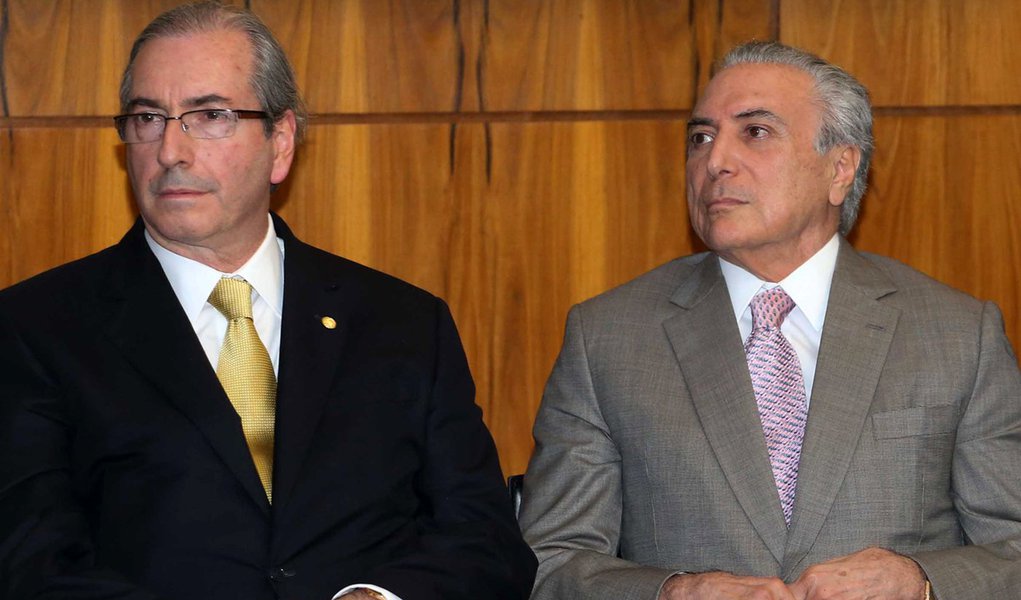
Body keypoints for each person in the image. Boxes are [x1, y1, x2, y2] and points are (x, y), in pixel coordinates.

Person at [0, 2, 536, 599]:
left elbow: (485, 540)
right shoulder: (35, 328)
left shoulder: (404, 324)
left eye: (209, 115)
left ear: (280, 142)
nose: (171, 149)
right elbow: (31, 562)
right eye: (149, 117)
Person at [519, 40, 1021, 600]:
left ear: (840, 168)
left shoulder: (957, 334)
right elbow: (550, 561)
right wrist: (671, 593)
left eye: (754, 132)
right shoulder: (608, 337)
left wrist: (920, 581)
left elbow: (1013, 549)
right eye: (700, 137)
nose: (715, 161)